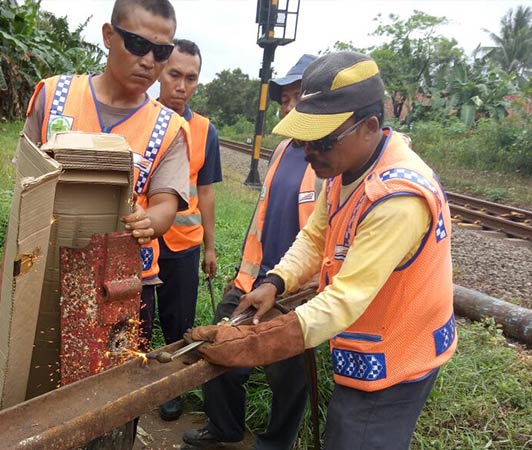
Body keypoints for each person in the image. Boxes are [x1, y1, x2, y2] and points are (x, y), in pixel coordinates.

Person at [188, 51, 457, 450]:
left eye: (322, 141)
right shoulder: (344, 169)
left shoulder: (397, 200)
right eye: (303, 139)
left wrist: (255, 343)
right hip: (368, 337)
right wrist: (276, 283)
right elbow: (315, 237)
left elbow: (345, 298)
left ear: (368, 127)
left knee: (356, 436)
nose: (309, 152)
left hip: (399, 352)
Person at [18, 0, 191, 345]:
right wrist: (11, 276)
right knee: (36, 378)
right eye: (138, 45)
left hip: (122, 286)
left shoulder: (169, 129)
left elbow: (165, 203)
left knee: (110, 387)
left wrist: (151, 221)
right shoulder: (53, 97)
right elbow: (24, 190)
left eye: (161, 52)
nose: (148, 61)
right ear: (109, 36)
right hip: (43, 271)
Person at [182, 54, 318, 450]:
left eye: (297, 98)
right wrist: (244, 273)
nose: (287, 107)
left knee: (287, 374)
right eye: (284, 99)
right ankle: (224, 427)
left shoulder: (330, 161)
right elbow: (261, 218)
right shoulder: (282, 152)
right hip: (254, 280)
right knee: (220, 352)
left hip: (298, 291)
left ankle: (275, 443)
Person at [154, 39, 223, 422]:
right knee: (135, 316)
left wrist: (210, 248)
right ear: (160, 72)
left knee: (178, 323)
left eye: (191, 78)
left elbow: (207, 192)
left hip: (183, 246)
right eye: (175, 74)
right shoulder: (141, 120)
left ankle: (171, 388)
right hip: (140, 244)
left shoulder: (205, 131)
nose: (182, 85)